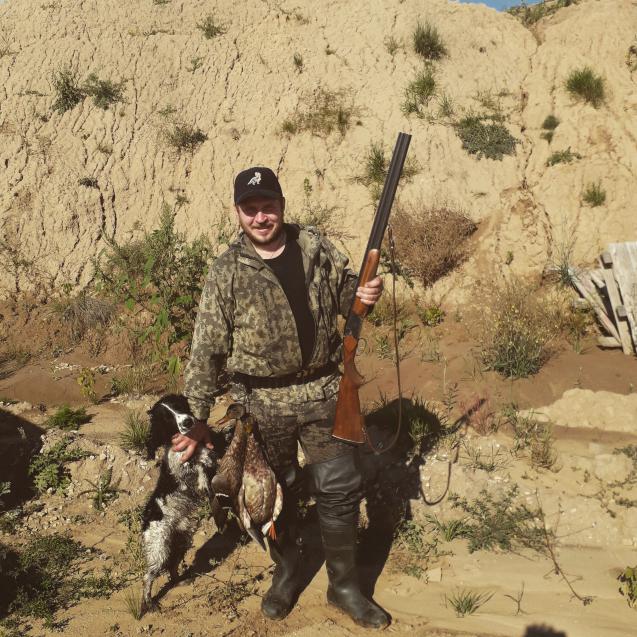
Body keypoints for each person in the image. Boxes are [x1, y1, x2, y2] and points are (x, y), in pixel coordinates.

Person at [172, 166, 389, 629]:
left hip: (323, 390)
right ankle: (288, 569)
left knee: (339, 489)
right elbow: (206, 350)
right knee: (272, 494)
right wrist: (196, 419)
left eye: (267, 206)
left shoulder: (314, 247)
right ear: (237, 213)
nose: (260, 217)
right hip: (261, 402)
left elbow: (347, 295)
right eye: (250, 209)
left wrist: (365, 292)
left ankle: (344, 586)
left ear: (281, 206)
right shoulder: (227, 270)